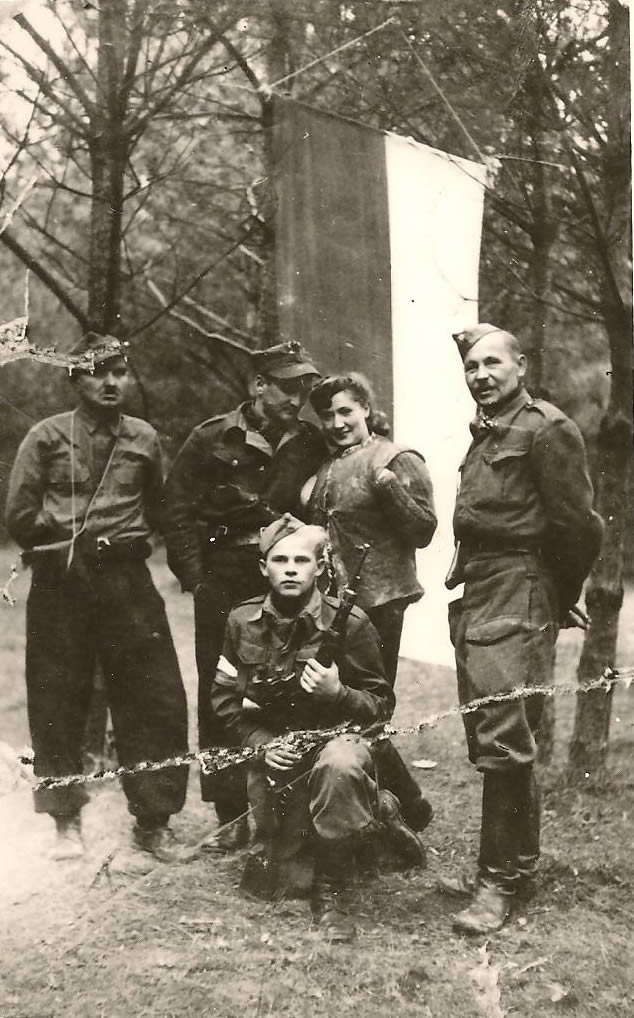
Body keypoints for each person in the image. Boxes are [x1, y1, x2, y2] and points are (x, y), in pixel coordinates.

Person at [443, 322, 604, 934]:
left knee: (504, 738)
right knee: (497, 732)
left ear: (521, 366)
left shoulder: (545, 428)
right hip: (483, 589)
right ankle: (516, 867)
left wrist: (559, 593)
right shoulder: (487, 431)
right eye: (472, 367)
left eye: (492, 363)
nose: (481, 375)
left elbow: (579, 526)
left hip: (519, 587)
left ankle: (497, 886)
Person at [5, 333, 189, 864]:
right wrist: (65, 540)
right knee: (57, 697)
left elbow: (161, 507)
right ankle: (66, 822)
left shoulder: (144, 438)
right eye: (96, 371)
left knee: (153, 696)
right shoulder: (46, 436)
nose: (110, 382)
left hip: (126, 579)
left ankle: (154, 822)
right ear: (75, 378)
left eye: (119, 371)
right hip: (63, 579)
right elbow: (19, 514)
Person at [210, 515, 424, 942]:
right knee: (278, 883)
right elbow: (225, 699)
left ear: (320, 567)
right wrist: (261, 745)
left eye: (301, 560)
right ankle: (380, 815)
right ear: (263, 567)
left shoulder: (353, 623)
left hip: (339, 746)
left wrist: (338, 693)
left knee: (339, 766)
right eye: (280, 560)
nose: (290, 569)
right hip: (282, 752)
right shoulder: (242, 621)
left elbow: (381, 707)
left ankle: (333, 894)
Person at [163, 341, 325, 851]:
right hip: (225, 579)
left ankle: (287, 808)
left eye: (303, 390)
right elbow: (176, 510)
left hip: (286, 579)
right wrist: (197, 579)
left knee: (290, 684)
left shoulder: (308, 441)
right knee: (222, 690)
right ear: (259, 385)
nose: (296, 399)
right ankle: (230, 813)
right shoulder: (212, 437)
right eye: (287, 387)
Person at [306, 372, 437, 830]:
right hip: (333, 606)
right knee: (339, 708)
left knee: (367, 707)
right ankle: (392, 805)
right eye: (328, 415)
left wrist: (390, 487)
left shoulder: (395, 458)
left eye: (346, 411)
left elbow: (424, 530)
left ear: (365, 408)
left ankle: (402, 807)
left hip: (380, 602)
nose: (337, 422)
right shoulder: (329, 466)